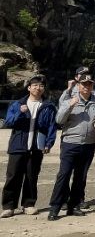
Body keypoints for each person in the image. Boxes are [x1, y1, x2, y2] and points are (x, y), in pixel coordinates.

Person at [48, 71, 95, 221]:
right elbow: (59, 120)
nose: (86, 87)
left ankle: (73, 206)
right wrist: (69, 106)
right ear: (78, 85)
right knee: (64, 175)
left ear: (92, 86)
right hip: (70, 143)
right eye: (84, 84)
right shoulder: (69, 100)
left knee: (81, 177)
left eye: (89, 84)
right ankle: (55, 207)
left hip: (88, 144)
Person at [1, 75, 57, 218]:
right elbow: (8, 122)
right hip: (18, 144)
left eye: (41, 86)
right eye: (35, 85)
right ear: (29, 88)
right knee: (13, 176)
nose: (38, 88)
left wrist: (49, 143)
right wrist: (20, 112)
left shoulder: (48, 106)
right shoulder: (17, 104)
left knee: (32, 176)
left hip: (37, 146)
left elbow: (51, 126)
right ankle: (9, 206)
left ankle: (28, 204)